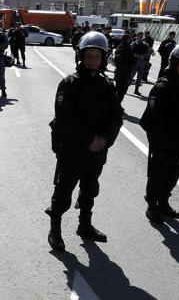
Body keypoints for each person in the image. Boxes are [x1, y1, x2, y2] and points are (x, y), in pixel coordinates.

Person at [46, 31, 122, 250]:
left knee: (90, 190)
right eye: (88, 56)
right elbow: (64, 119)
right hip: (72, 149)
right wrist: (88, 140)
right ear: (81, 56)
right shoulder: (69, 84)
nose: (92, 61)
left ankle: (85, 225)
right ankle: (55, 231)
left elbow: (117, 116)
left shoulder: (107, 85)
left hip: (97, 150)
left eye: (97, 57)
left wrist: (104, 139)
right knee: (63, 193)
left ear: (103, 58)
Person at [140, 41, 179, 223]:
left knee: (172, 177)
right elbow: (150, 121)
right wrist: (158, 145)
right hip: (163, 145)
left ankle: (164, 203)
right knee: (156, 178)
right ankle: (152, 206)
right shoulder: (163, 87)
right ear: (175, 65)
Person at [112, 32, 136, 100]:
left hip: (118, 71)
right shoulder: (128, 48)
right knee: (122, 90)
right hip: (125, 71)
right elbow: (133, 60)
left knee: (117, 88)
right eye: (128, 39)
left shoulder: (119, 48)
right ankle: (117, 105)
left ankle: (115, 104)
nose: (129, 41)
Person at [131, 31, 150, 95]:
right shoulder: (133, 43)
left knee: (139, 78)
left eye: (142, 36)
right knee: (131, 77)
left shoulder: (145, 44)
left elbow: (148, 52)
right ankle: (125, 87)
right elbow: (131, 52)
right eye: (139, 36)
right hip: (135, 62)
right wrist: (139, 56)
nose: (141, 37)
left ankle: (136, 90)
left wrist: (143, 56)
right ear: (137, 36)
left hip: (142, 63)